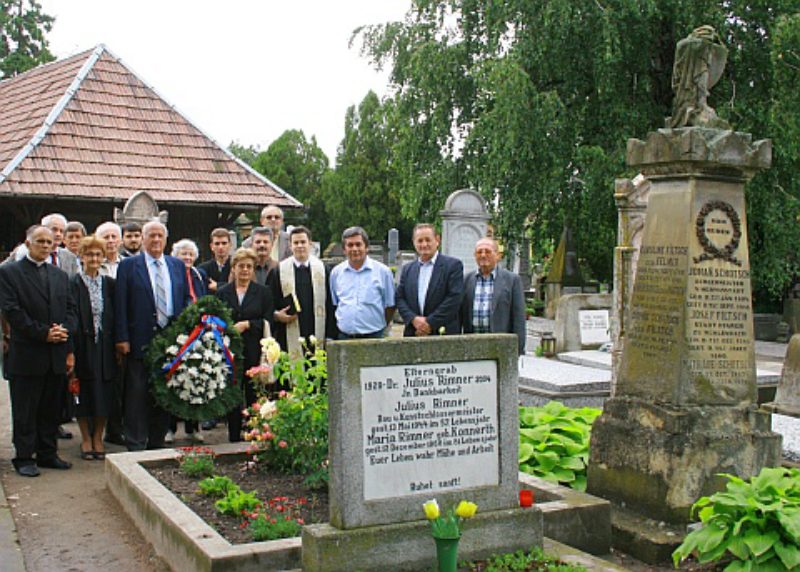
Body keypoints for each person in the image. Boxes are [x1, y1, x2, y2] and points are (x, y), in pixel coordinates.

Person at [0, 225, 76, 476]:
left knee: (51, 408)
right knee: (25, 409)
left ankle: (47, 453)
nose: (45, 245)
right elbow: (12, 311)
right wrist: (43, 333)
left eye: (49, 241)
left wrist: (64, 331)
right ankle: (24, 457)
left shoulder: (59, 275)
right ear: (28, 243)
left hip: (55, 353)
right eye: (40, 241)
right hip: (27, 353)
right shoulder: (9, 273)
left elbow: (70, 309)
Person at [115, 221, 190, 451]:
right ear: (143, 239)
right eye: (151, 236)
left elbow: (185, 299)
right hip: (139, 339)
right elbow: (120, 303)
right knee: (137, 393)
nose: (156, 240)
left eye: (160, 236)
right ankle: (136, 442)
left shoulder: (176, 265)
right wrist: (122, 337)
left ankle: (157, 441)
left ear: (166, 240)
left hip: (170, 341)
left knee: (163, 393)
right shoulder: (129, 266)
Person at [216, 248, 274, 441]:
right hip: (230, 349)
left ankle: (253, 432)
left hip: (253, 349)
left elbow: (268, 320)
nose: (245, 270)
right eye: (241, 266)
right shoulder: (223, 292)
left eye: (249, 267)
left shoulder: (263, 293)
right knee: (233, 393)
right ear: (234, 268)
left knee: (253, 392)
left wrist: (249, 324)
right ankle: (233, 435)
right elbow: (215, 319)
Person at [71, 236, 117, 460]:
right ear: (82, 256)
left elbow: (115, 315)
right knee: (83, 391)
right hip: (82, 346)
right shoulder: (73, 283)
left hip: (105, 346)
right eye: (89, 254)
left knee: (104, 391)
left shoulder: (109, 283)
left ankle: (98, 436)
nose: (94, 258)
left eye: (98, 254)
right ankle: (86, 439)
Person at [166, 238, 208, 443]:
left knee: (197, 378)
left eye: (190, 254)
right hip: (177, 333)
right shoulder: (171, 275)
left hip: (199, 333)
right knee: (174, 380)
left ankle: (194, 426)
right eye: (183, 254)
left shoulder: (200, 275)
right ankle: (170, 428)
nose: (187, 258)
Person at [270, 226, 335, 355]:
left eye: (303, 242)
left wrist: (330, 334)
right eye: (296, 242)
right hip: (288, 334)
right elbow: (270, 301)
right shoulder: (279, 271)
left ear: (310, 243)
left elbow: (331, 304)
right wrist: (276, 315)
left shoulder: (323, 270)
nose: (300, 246)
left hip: (317, 331)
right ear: (290, 245)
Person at [461, 237, 527, 355]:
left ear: (497, 255)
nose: (483, 255)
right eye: (479, 252)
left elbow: (519, 318)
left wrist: (518, 349)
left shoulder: (512, 280)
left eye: (488, 251)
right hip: (472, 344)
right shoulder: (466, 280)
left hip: (500, 346)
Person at [396, 223, 464, 337]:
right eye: (420, 240)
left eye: (428, 240)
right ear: (414, 242)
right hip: (414, 332)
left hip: (443, 333)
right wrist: (413, 319)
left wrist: (429, 323)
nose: (424, 244)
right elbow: (399, 297)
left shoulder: (453, 266)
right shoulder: (408, 269)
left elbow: (454, 298)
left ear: (437, 240)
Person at [329, 226, 395, 339]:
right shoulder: (336, 273)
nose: (354, 249)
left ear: (366, 247)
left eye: (358, 244)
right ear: (344, 249)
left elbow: (390, 306)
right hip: (344, 337)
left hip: (374, 335)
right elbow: (335, 304)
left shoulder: (383, 272)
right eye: (350, 245)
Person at [197, 228, 231, 293]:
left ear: (230, 245)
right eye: (217, 244)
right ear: (211, 246)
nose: (220, 247)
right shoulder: (202, 269)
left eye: (224, 243)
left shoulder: (237, 266)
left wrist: (218, 286)